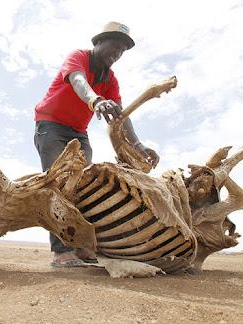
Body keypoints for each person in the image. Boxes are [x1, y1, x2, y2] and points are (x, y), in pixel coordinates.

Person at [34, 22, 160, 267]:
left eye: (122, 50)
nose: (118, 54)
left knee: (83, 187)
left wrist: (139, 145)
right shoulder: (78, 57)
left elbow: (122, 117)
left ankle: (81, 247)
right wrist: (96, 101)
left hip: (79, 133)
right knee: (59, 185)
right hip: (51, 126)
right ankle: (61, 252)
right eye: (115, 46)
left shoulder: (110, 79)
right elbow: (79, 81)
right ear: (98, 42)